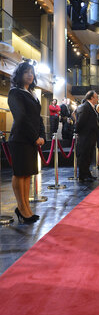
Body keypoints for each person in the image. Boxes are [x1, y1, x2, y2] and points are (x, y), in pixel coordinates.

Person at [8, 62, 45, 224]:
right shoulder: (15, 93)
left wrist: (42, 135)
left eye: (32, 72)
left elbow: (38, 117)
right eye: (26, 72)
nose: (30, 75)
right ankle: (21, 207)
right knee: (20, 173)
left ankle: (27, 207)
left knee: (27, 173)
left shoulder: (31, 93)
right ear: (19, 75)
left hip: (31, 139)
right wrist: (34, 137)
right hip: (20, 139)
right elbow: (21, 118)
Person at [75, 90, 99, 182]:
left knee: (88, 156)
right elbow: (80, 122)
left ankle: (87, 174)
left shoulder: (91, 107)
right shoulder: (85, 107)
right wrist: (78, 132)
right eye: (96, 97)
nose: (97, 99)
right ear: (92, 97)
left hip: (91, 136)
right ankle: (83, 175)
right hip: (85, 136)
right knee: (84, 156)